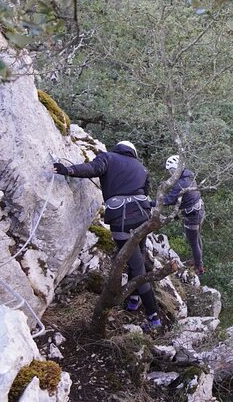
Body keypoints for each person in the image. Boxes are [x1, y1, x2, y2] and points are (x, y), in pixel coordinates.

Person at [53, 141, 162, 331]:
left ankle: (153, 317)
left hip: (121, 218)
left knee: (136, 266)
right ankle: (134, 299)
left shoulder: (108, 157)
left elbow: (93, 168)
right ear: (133, 153)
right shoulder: (142, 168)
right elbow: (145, 192)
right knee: (138, 258)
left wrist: (68, 170)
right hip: (143, 216)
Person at [157, 155, 205, 277]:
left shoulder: (181, 183)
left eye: (171, 171)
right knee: (197, 237)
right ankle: (198, 261)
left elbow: (168, 200)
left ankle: (199, 267)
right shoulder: (189, 175)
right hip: (199, 209)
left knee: (193, 241)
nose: (171, 173)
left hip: (192, 214)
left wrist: (152, 203)